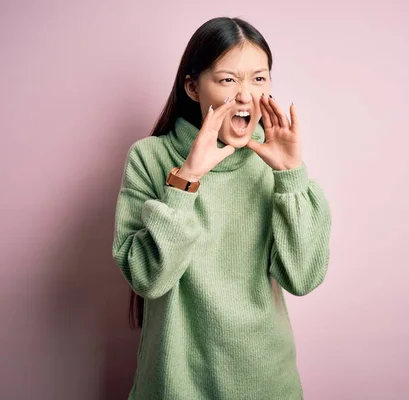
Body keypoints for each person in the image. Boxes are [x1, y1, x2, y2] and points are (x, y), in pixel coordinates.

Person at [112, 16, 332, 400]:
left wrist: (291, 175)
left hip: (267, 382)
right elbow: (147, 278)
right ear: (193, 87)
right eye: (228, 79)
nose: (246, 95)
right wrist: (188, 177)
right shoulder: (149, 158)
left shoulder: (274, 164)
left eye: (259, 78)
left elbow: (304, 277)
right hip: (173, 385)